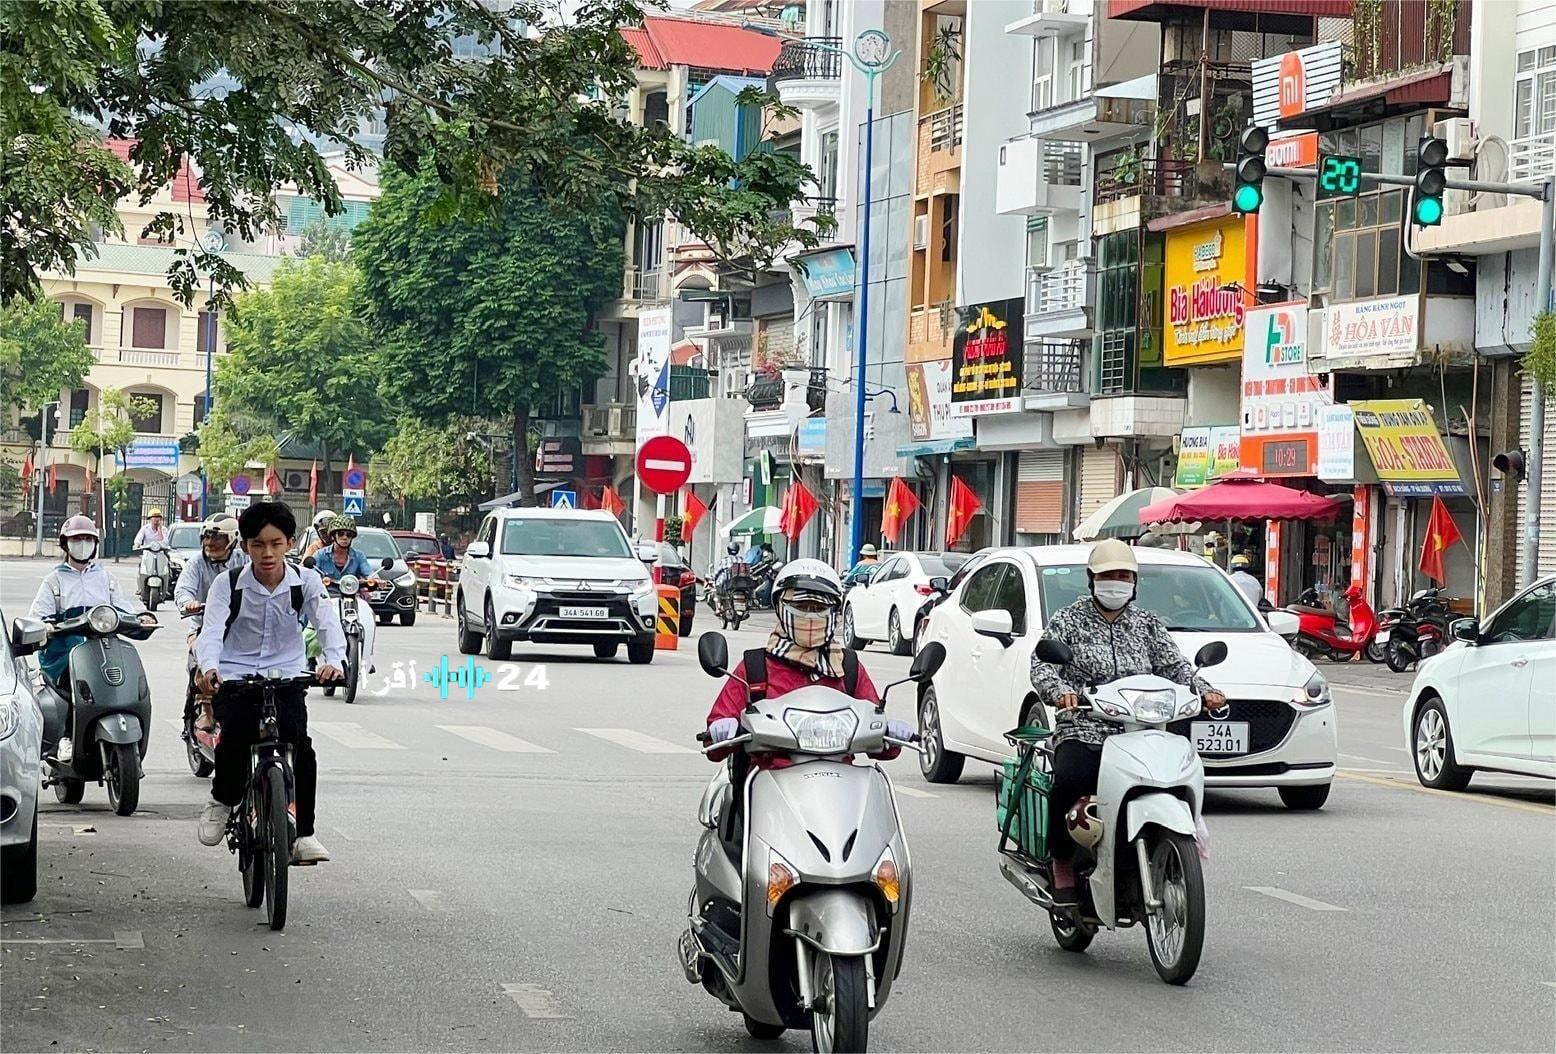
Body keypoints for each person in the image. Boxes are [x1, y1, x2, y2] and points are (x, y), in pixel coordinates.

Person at [1029, 539, 1227, 906]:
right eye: (1108, 575)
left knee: (1174, 776)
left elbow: (1176, 668)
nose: (1115, 582)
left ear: (1134, 582)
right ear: (1091, 579)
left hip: (1143, 728)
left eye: (1123, 575)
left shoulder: (1147, 624)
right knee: (1071, 778)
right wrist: (1060, 692)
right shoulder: (1068, 620)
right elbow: (1042, 664)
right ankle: (1062, 861)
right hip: (1087, 725)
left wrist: (1205, 689)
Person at [704, 560, 912, 847]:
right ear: (780, 606)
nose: (810, 616)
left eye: (819, 608)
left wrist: (891, 733)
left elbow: (879, 735)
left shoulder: (848, 667)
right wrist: (722, 728)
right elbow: (715, 736)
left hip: (841, 798)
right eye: (802, 607)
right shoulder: (755, 667)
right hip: (770, 793)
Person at [195, 502, 344, 863]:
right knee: (237, 737)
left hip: (287, 674)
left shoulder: (305, 582)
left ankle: (304, 834)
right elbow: (212, 630)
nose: (267, 553)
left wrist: (334, 662)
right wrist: (211, 667)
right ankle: (223, 800)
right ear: (245, 546)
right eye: (258, 544)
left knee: (301, 747)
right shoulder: (227, 584)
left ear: (290, 543)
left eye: (276, 544)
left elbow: (326, 623)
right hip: (236, 673)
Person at [29, 516, 155, 691]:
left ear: (95, 544)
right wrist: (47, 627)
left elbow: (125, 613)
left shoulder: (106, 579)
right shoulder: (54, 581)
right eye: (76, 539)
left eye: (88, 539)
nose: (83, 543)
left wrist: (142, 620)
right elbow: (38, 618)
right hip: (64, 660)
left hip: (105, 655)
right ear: (65, 543)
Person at [174, 514, 247, 731]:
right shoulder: (197, 562)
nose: (210, 542)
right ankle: (206, 709)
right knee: (204, 657)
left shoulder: (244, 560)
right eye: (207, 537)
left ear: (233, 540)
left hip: (241, 627)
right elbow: (183, 589)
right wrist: (189, 603)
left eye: (218, 538)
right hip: (202, 626)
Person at [312, 515, 374, 584]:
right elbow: (311, 574)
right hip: (325, 593)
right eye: (340, 534)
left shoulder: (359, 556)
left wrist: (376, 579)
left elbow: (368, 572)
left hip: (352, 592)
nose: (345, 537)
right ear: (333, 536)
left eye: (349, 535)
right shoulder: (320, 555)